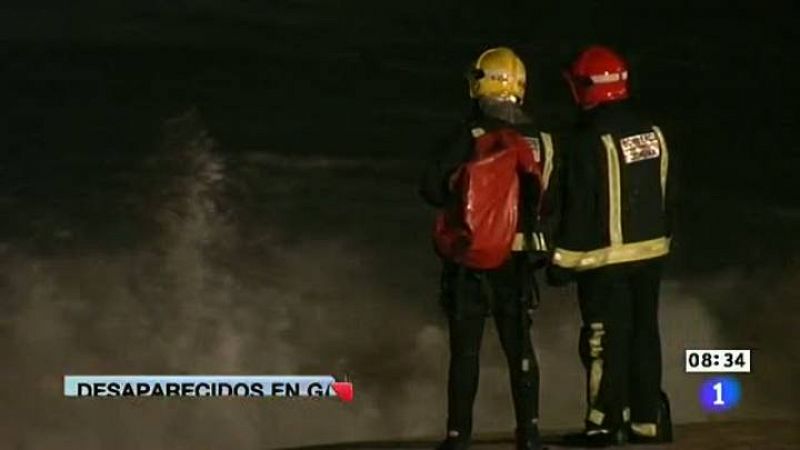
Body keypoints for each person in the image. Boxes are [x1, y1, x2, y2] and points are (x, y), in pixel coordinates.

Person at [420, 47, 558, 450]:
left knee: (466, 351)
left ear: (481, 84)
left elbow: (430, 188)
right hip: (520, 261)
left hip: (473, 258)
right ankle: (529, 432)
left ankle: (458, 435)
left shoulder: (469, 135)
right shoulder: (546, 140)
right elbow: (551, 201)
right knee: (520, 348)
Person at [549, 45, 675, 447]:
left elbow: (581, 209)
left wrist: (560, 262)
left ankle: (604, 424)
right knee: (644, 335)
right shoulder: (653, 133)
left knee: (604, 340)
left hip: (606, 262)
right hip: (652, 253)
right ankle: (646, 422)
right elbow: (666, 194)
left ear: (585, 87)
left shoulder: (587, 141)